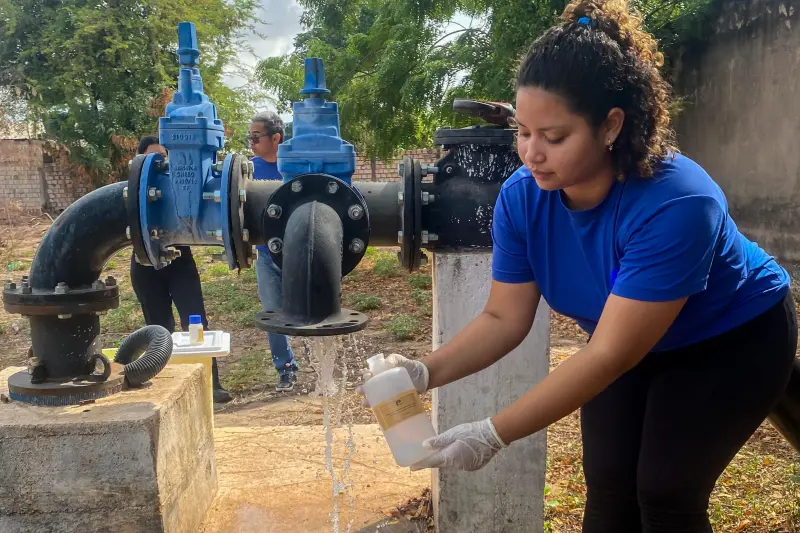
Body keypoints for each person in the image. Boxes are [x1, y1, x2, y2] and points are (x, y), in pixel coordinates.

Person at [358, 1, 797, 531]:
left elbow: (610, 354)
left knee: (664, 492)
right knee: (609, 487)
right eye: (523, 132)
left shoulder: (676, 202)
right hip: (628, 345)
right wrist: (425, 372)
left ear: (611, 125)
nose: (531, 154)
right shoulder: (523, 198)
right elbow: (503, 319)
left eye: (554, 137)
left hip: (730, 338)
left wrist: (492, 432)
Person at [130, 136, 232, 403]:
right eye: (154, 159)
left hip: (179, 261)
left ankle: (211, 385)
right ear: (140, 161)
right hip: (145, 265)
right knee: (158, 327)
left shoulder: (178, 188)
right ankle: (166, 386)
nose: (161, 165)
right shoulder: (132, 192)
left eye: (164, 159)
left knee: (195, 322)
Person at [248, 112, 299, 392]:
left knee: (312, 309)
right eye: (250, 137)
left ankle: (328, 366)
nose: (251, 142)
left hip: (299, 255)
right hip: (266, 257)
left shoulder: (294, 167)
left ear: (276, 138)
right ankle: (286, 369)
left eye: (256, 137)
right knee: (272, 314)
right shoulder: (249, 171)